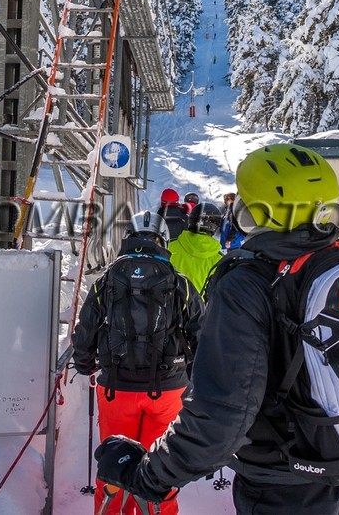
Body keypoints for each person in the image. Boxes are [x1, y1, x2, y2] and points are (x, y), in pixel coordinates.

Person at [95, 144, 339, 515]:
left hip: (285, 490)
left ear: (258, 211)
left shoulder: (247, 284)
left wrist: (149, 475)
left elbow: (221, 415)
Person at [71, 210, 202, 515]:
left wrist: (85, 364)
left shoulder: (106, 280)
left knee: (114, 465)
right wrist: (195, 377)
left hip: (116, 389)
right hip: (168, 390)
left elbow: (86, 328)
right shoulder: (179, 282)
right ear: (163, 240)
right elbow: (202, 333)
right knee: (160, 468)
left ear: (127, 238)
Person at [169, 201, 225, 298]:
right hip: (199, 307)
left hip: (170, 305)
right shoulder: (219, 260)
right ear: (215, 226)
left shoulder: (169, 247)